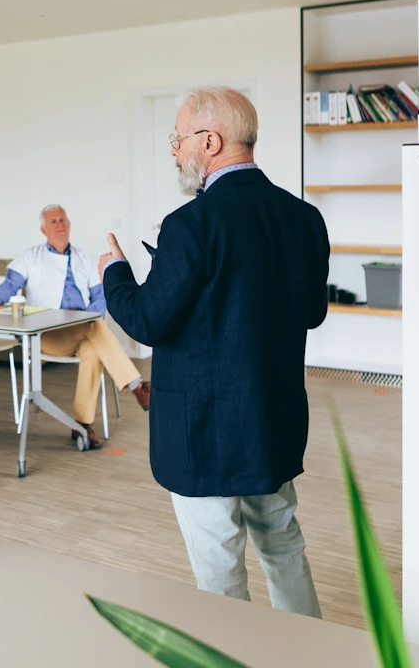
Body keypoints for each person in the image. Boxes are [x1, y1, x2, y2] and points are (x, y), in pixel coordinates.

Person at [98, 86, 329, 617]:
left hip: (205, 430)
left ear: (210, 140)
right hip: (272, 420)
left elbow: (148, 319)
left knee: (219, 563)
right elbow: (310, 313)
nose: (174, 152)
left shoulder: (190, 224)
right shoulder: (303, 218)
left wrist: (115, 271)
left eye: (178, 140)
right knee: (283, 543)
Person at [0, 205, 150, 448]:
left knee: (93, 347)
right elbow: (9, 286)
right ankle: (137, 387)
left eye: (63, 220)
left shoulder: (85, 258)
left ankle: (82, 426)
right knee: (95, 327)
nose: (59, 225)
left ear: (69, 224)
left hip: (81, 331)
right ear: (43, 229)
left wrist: (91, 318)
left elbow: (99, 297)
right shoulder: (31, 256)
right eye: (53, 221)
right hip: (46, 334)